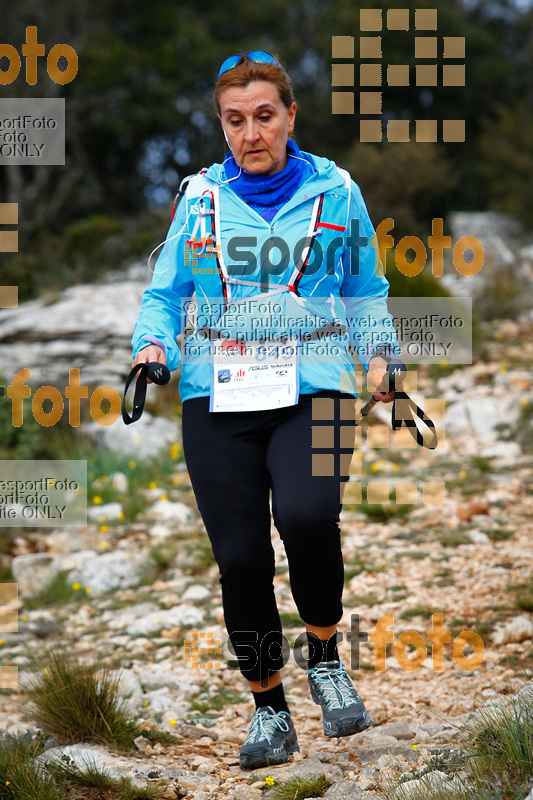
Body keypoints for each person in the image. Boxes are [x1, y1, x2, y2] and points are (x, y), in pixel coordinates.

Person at [131, 50, 399, 770]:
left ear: (289, 117)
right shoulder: (197, 197)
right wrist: (151, 345)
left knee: (310, 516)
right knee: (241, 557)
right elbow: (164, 294)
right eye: (234, 120)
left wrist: (379, 353)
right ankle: (269, 708)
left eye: (264, 117)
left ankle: (324, 656)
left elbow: (364, 286)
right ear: (222, 125)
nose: (250, 133)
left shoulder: (336, 191)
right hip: (217, 392)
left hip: (315, 380)